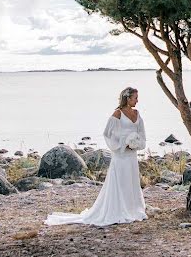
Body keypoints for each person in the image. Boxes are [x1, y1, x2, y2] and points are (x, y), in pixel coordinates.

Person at [44, 87, 147, 227]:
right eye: (135, 97)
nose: (137, 100)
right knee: (121, 182)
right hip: (121, 155)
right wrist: (122, 145)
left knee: (131, 181)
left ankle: (133, 209)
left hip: (132, 155)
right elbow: (108, 134)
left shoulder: (137, 113)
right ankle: (119, 210)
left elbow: (140, 132)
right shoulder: (118, 113)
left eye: (137, 97)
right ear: (128, 98)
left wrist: (136, 144)